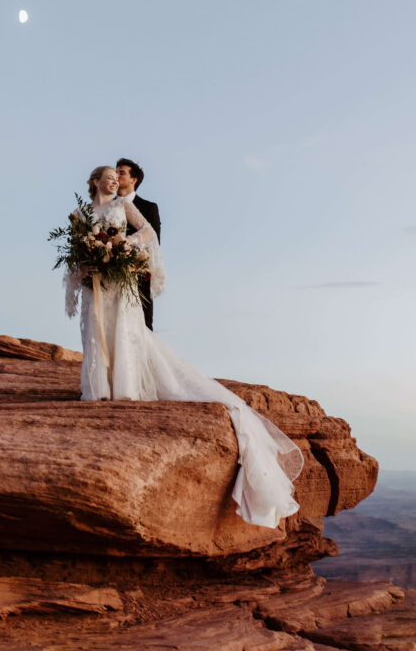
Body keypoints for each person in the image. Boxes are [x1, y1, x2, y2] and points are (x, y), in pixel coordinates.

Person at [63, 165, 303, 530]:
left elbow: (147, 234)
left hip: (120, 280)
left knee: (126, 335)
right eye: (108, 177)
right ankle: (98, 390)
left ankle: (124, 388)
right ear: (95, 181)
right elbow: (74, 248)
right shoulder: (81, 213)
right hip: (98, 283)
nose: (113, 181)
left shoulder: (124, 208)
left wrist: (123, 245)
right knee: (97, 334)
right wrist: (89, 260)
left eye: (118, 177)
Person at [115, 158, 160, 330]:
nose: (116, 175)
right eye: (115, 172)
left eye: (122, 172)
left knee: (142, 325)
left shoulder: (149, 207)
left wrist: (128, 254)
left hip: (138, 273)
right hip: (109, 273)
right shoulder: (106, 205)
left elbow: (155, 241)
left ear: (134, 179)